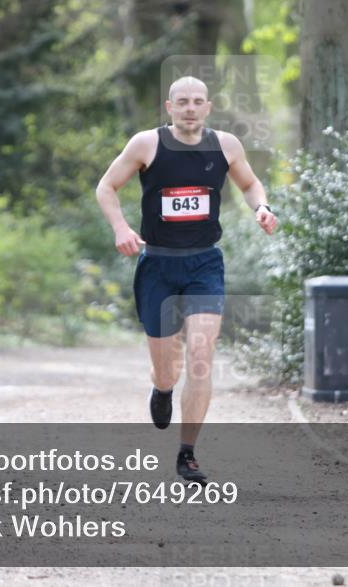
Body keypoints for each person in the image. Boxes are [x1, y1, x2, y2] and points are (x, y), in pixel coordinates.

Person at [95, 76, 277, 483]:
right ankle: (161, 390)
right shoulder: (147, 144)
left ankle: (188, 454)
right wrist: (121, 228)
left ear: (208, 107)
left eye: (198, 101)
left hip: (204, 265)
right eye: (183, 102)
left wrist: (261, 207)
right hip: (157, 265)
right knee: (167, 371)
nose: (191, 108)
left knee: (200, 355)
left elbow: (249, 184)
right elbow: (106, 186)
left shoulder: (226, 145)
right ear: (170, 106)